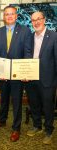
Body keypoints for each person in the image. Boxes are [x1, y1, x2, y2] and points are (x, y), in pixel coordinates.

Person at [0, 6, 32, 142]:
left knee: (16, 101)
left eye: (12, 14)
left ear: (16, 16)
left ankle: (16, 128)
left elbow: (27, 53)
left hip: (17, 73)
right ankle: (2, 120)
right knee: (4, 98)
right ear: (4, 17)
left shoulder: (25, 31)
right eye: (7, 14)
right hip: (2, 73)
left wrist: (26, 71)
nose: (9, 16)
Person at [26, 11, 57, 145]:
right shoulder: (29, 37)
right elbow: (26, 56)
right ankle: (37, 125)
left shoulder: (54, 36)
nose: (36, 22)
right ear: (31, 22)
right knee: (34, 104)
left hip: (48, 79)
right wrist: (24, 73)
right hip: (31, 78)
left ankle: (49, 130)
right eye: (33, 20)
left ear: (44, 20)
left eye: (39, 19)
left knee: (48, 106)